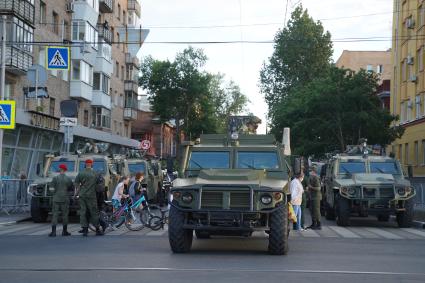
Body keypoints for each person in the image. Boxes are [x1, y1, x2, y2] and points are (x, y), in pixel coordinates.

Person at [74, 159, 103, 236]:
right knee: (94, 212)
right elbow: (100, 186)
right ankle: (97, 229)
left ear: (85, 165)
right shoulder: (95, 173)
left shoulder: (81, 173)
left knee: (83, 211)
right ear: (92, 165)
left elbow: (76, 182)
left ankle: (85, 230)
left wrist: (78, 191)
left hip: (82, 195)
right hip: (91, 196)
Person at [49, 164, 73, 237]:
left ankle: (53, 232)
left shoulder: (55, 178)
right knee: (65, 215)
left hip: (56, 199)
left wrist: (54, 193)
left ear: (60, 169)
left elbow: (51, 189)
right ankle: (64, 231)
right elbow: (70, 188)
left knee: (55, 215)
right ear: (65, 170)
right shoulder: (68, 179)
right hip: (65, 199)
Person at [307, 165, 322, 230]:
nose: (310, 171)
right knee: (312, 210)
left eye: (311, 170)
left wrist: (311, 187)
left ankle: (319, 224)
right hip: (312, 197)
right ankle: (313, 223)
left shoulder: (316, 178)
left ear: (314, 171)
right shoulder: (311, 177)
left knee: (316, 211)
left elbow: (318, 188)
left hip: (316, 197)